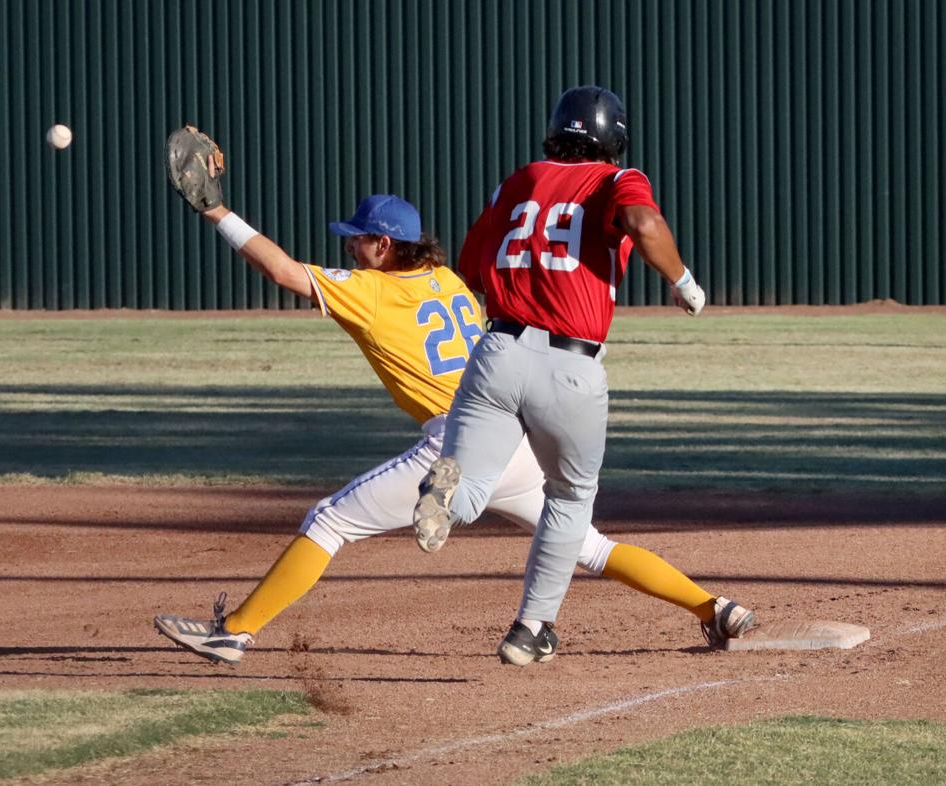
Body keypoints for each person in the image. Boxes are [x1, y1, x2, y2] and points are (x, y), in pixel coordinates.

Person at [153, 140, 751, 665]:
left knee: (329, 521)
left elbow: (283, 271)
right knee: (583, 542)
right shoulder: (449, 281)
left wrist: (217, 212)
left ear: (384, 245)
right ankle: (713, 607)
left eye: (359, 239)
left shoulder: (371, 291)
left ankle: (233, 633)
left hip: (460, 438)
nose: (352, 249)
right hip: (518, 438)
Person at [413, 86, 756, 666]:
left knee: (469, 488)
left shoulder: (517, 182)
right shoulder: (615, 180)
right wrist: (682, 280)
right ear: (613, 140)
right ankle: (531, 629)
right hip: (569, 364)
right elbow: (643, 223)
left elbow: (472, 266)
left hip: (495, 350)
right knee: (570, 497)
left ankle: (444, 496)